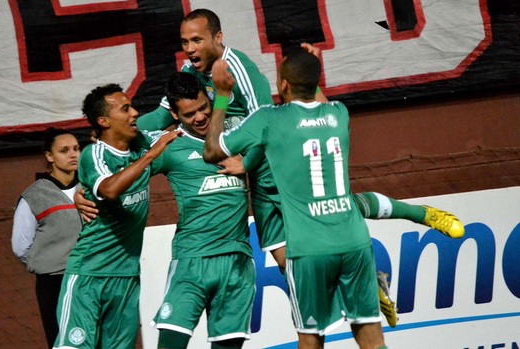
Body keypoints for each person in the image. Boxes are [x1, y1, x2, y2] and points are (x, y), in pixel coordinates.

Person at [134, 8, 464, 328]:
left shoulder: (240, 70)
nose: (189, 49)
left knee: (336, 208)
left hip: (280, 169)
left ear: (217, 37)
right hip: (259, 185)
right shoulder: (190, 76)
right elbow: (161, 116)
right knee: (285, 263)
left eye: (196, 40)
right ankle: (371, 283)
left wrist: (246, 161)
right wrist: (123, 134)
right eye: (185, 42)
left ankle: (422, 215)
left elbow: (268, 126)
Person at [203, 51, 387, 348]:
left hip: (309, 248)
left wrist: (222, 95)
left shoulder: (269, 120)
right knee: (372, 339)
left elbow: (211, 150)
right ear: (315, 82)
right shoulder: (339, 113)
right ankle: (369, 284)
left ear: (283, 84)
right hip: (353, 240)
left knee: (311, 338)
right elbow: (316, 102)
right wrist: (312, 75)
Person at [52, 84, 180, 349]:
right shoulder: (94, 154)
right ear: (104, 121)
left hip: (127, 276)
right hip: (90, 275)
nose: (134, 113)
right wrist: (152, 155)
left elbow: (174, 114)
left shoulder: (140, 142)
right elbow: (109, 189)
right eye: (125, 109)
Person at [149, 72, 255, 349]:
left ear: (210, 99)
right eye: (188, 114)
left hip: (237, 260)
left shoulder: (236, 136)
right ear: (174, 113)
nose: (199, 118)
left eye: (202, 108)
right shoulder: (170, 146)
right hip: (192, 262)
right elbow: (123, 168)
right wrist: (80, 191)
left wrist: (248, 162)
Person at [11, 128, 82, 349]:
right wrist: (50, 263)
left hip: (92, 276)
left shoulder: (92, 186)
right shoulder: (34, 196)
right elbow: (21, 247)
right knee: (63, 342)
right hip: (55, 282)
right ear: (49, 157)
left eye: (76, 149)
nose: (73, 155)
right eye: (64, 150)